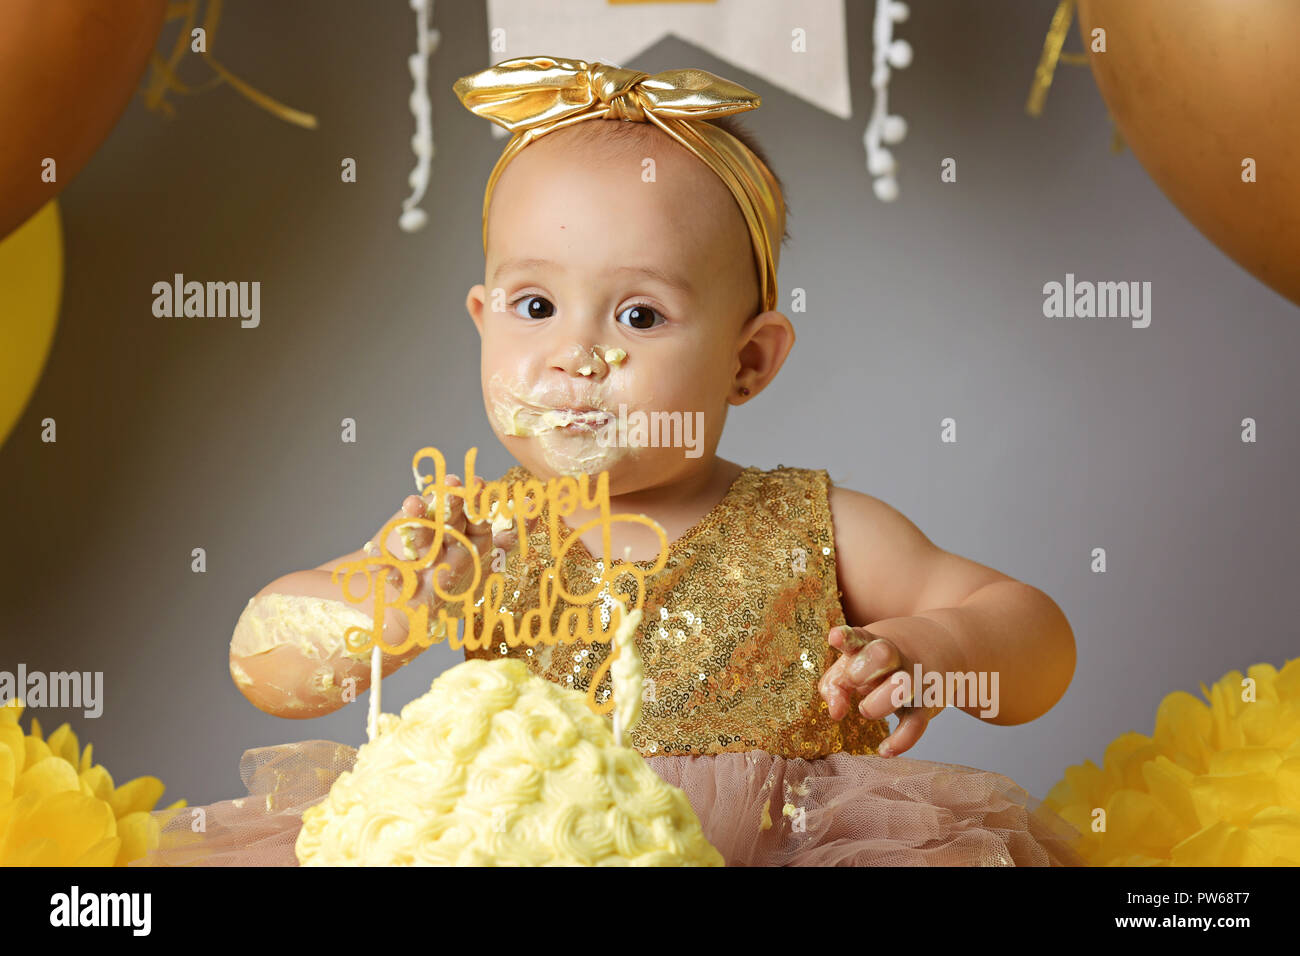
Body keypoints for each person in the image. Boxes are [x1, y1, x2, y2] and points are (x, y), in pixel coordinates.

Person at [136, 56, 1082, 867]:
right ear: (482, 319)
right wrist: (389, 603)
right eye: (535, 307)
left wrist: (937, 652)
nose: (576, 354)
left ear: (747, 361)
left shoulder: (815, 528)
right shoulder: (474, 535)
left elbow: (1035, 635)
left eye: (638, 316)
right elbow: (264, 663)